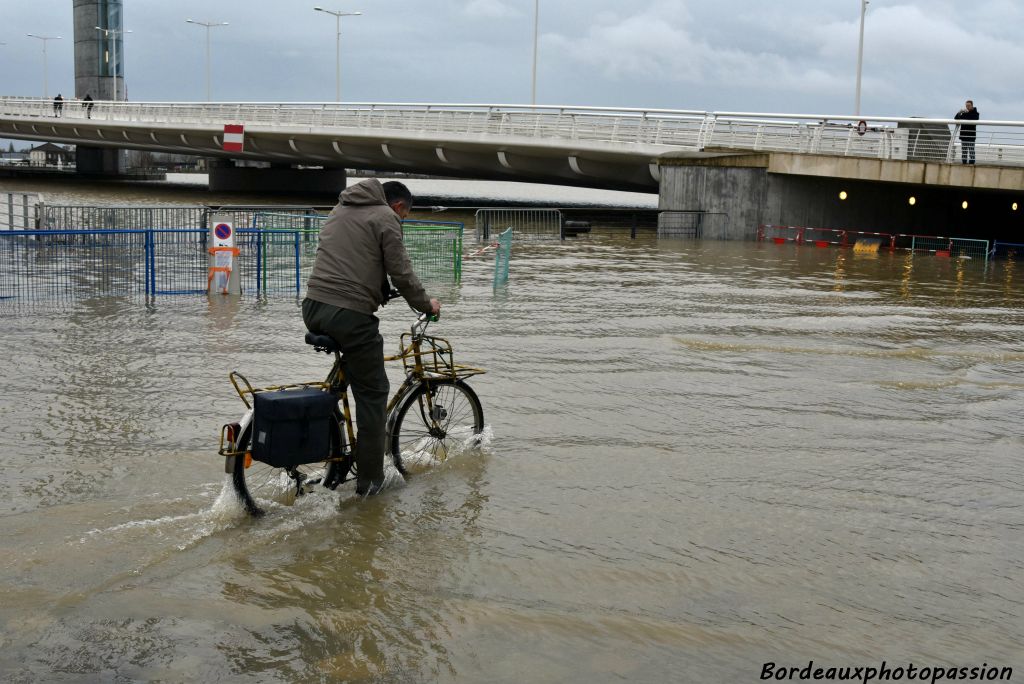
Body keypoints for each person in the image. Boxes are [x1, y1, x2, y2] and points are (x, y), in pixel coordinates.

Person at [302, 178, 440, 496]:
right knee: (375, 393)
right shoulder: (385, 217)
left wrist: (376, 289)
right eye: (404, 216)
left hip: (313, 308)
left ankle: (328, 423)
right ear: (398, 207)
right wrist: (425, 304)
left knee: (353, 366)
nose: (401, 221)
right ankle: (371, 483)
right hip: (348, 316)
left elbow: (350, 262)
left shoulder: (340, 209)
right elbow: (401, 271)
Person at [954, 100, 979, 165]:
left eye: (968, 105)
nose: (967, 107)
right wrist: (959, 112)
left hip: (971, 135)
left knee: (971, 150)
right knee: (964, 151)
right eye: (966, 105)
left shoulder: (976, 113)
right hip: (964, 135)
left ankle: (972, 163)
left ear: (972, 106)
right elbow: (956, 118)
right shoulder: (964, 113)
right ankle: (964, 162)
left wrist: (967, 113)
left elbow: (974, 118)